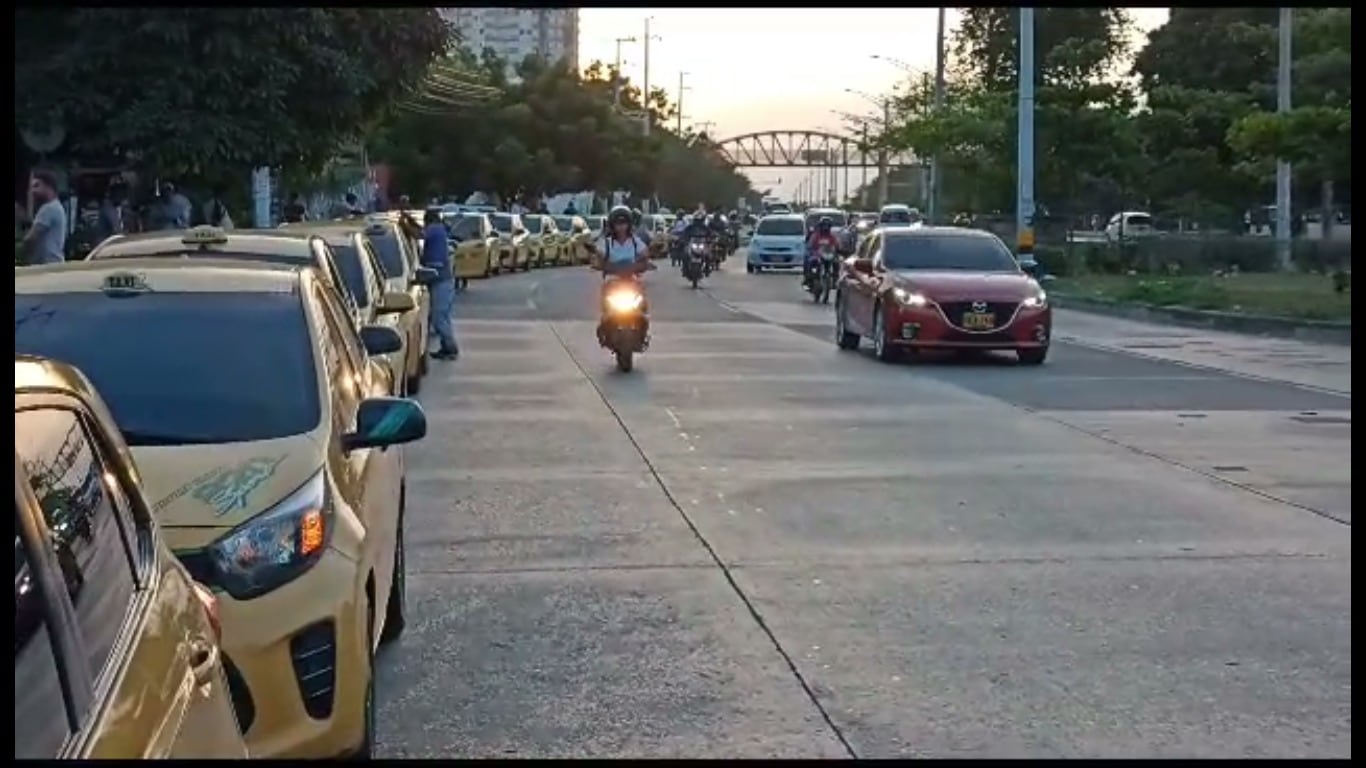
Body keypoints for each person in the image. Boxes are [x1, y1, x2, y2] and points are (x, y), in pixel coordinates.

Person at [590, 205, 652, 343]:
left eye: (624, 223)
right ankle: (605, 327)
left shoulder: (636, 242)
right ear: (612, 225)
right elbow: (598, 255)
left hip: (631, 279)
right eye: (618, 223)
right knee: (605, 297)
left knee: (642, 297)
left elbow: (645, 254)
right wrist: (598, 263)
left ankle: (643, 331)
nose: (621, 227)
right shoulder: (606, 243)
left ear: (629, 224)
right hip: (613, 280)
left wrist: (645, 263)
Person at [421, 208, 459, 360]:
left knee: (438, 317)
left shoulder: (435, 229)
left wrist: (406, 226)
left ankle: (451, 347)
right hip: (443, 280)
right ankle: (446, 346)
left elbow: (420, 234)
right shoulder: (440, 230)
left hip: (441, 281)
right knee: (443, 316)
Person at [21, 170, 68, 265]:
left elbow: (31, 238)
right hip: (54, 263)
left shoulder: (48, 209)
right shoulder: (56, 206)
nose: (33, 191)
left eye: (37, 186)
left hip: (47, 265)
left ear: (48, 187)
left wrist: (21, 251)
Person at [804, 216, 841, 288]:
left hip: (828, 255)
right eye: (824, 226)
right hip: (817, 255)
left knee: (836, 263)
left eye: (827, 226)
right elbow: (810, 244)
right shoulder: (816, 235)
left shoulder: (832, 236)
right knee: (810, 261)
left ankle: (835, 280)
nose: (825, 228)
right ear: (820, 226)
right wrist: (811, 250)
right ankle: (808, 279)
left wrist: (838, 249)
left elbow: (836, 245)